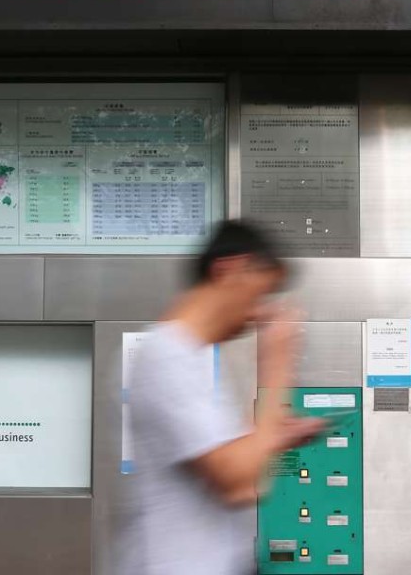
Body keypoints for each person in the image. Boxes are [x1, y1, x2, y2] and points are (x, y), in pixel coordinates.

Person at [122, 220, 325, 575]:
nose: (258, 312)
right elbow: (240, 483)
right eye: (261, 294)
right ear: (228, 270)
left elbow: (239, 471)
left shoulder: (194, 358)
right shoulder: (166, 356)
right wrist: (276, 368)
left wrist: (271, 436)